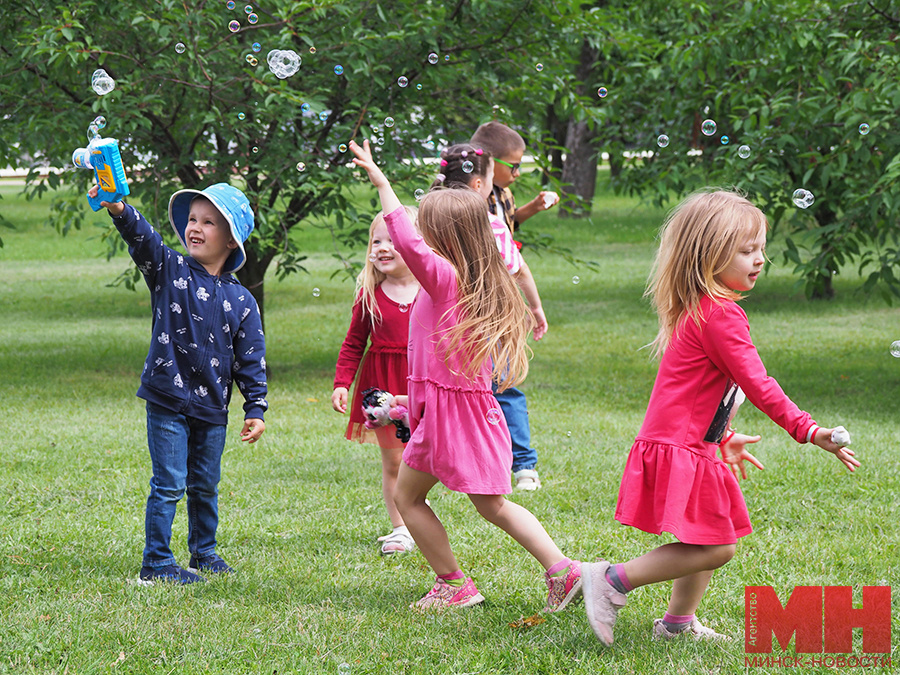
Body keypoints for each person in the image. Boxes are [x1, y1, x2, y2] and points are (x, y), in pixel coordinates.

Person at [581, 190, 860, 645]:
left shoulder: (702, 310)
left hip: (693, 442)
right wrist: (809, 430)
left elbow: (697, 390)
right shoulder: (720, 316)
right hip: (681, 444)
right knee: (718, 544)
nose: (760, 259)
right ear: (709, 255)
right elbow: (758, 384)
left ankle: (676, 624)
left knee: (706, 536)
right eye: (747, 250)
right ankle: (611, 579)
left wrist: (722, 434)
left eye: (761, 249)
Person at [348, 139, 581, 612]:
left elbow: (409, 244)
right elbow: (435, 372)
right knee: (486, 505)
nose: (415, 237)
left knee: (410, 499)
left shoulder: (444, 277)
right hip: (460, 414)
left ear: (442, 239)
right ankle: (563, 571)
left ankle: (455, 584)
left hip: (449, 419)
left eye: (423, 229)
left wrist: (383, 184)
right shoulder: (473, 277)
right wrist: (402, 404)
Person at [90, 182, 268, 585]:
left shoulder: (243, 302)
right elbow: (143, 239)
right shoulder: (169, 269)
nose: (195, 228)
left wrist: (255, 408)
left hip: (212, 408)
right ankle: (156, 562)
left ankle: (203, 552)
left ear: (230, 239)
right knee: (169, 483)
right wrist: (118, 207)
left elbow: (251, 361)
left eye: (208, 222)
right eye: (192, 219)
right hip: (167, 398)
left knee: (205, 485)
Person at [469, 122, 558, 490]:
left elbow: (508, 228)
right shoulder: (465, 203)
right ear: (488, 165)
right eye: (513, 165)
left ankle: (523, 464)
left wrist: (532, 208)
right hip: (474, 307)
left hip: (500, 307)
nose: (518, 173)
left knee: (504, 385)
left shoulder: (500, 196)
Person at [332, 209, 420, 555]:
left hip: (419, 386)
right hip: (381, 390)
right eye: (376, 240)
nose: (382, 247)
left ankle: (418, 511)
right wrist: (342, 382)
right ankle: (401, 527)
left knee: (423, 458)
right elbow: (354, 343)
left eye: (392, 240)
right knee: (394, 461)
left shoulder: (431, 291)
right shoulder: (370, 293)